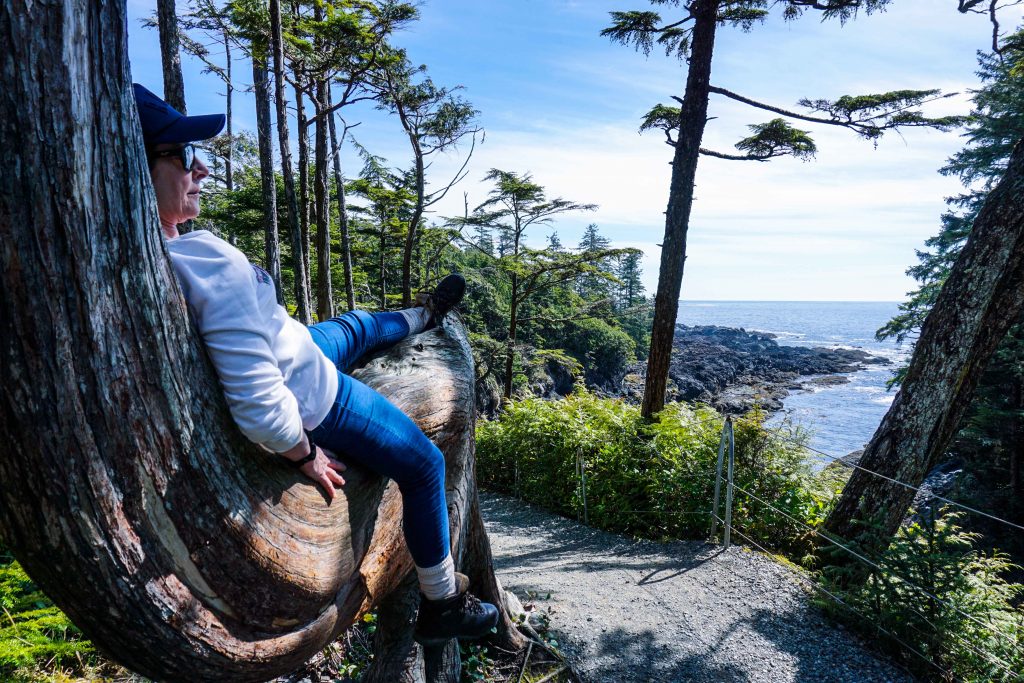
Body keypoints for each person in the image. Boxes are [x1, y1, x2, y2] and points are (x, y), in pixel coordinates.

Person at [133, 83, 498, 644]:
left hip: (294, 345)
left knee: (359, 325)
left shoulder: (166, 253)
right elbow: (258, 405)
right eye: (183, 154)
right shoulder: (211, 269)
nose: (201, 167)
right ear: (139, 166)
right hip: (317, 395)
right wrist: (303, 452)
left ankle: (423, 317)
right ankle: (442, 603)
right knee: (424, 465)